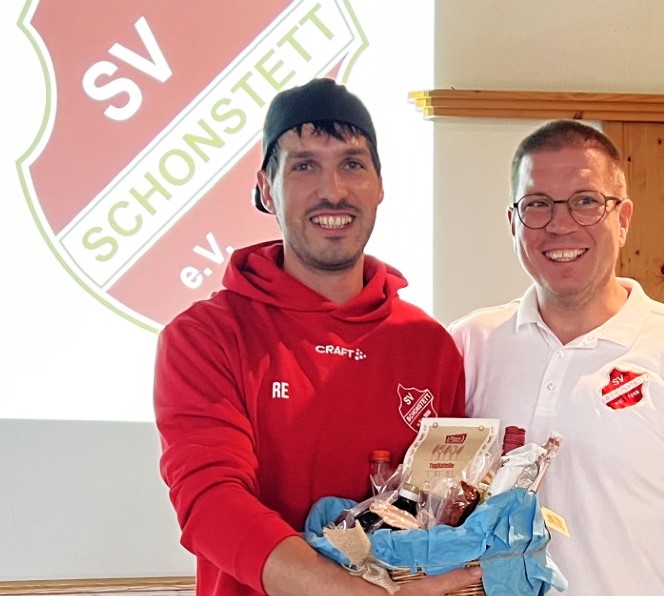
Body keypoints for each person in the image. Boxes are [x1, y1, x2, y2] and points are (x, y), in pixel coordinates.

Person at [154, 78, 482, 595]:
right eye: (304, 166)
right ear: (266, 188)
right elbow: (211, 502)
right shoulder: (205, 337)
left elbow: (443, 507)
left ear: (379, 185)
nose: (333, 190)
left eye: (352, 164)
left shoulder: (429, 345)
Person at [448, 120, 664, 595]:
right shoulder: (467, 345)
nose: (560, 224)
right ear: (513, 223)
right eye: (537, 204)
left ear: (623, 219)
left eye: (585, 201)